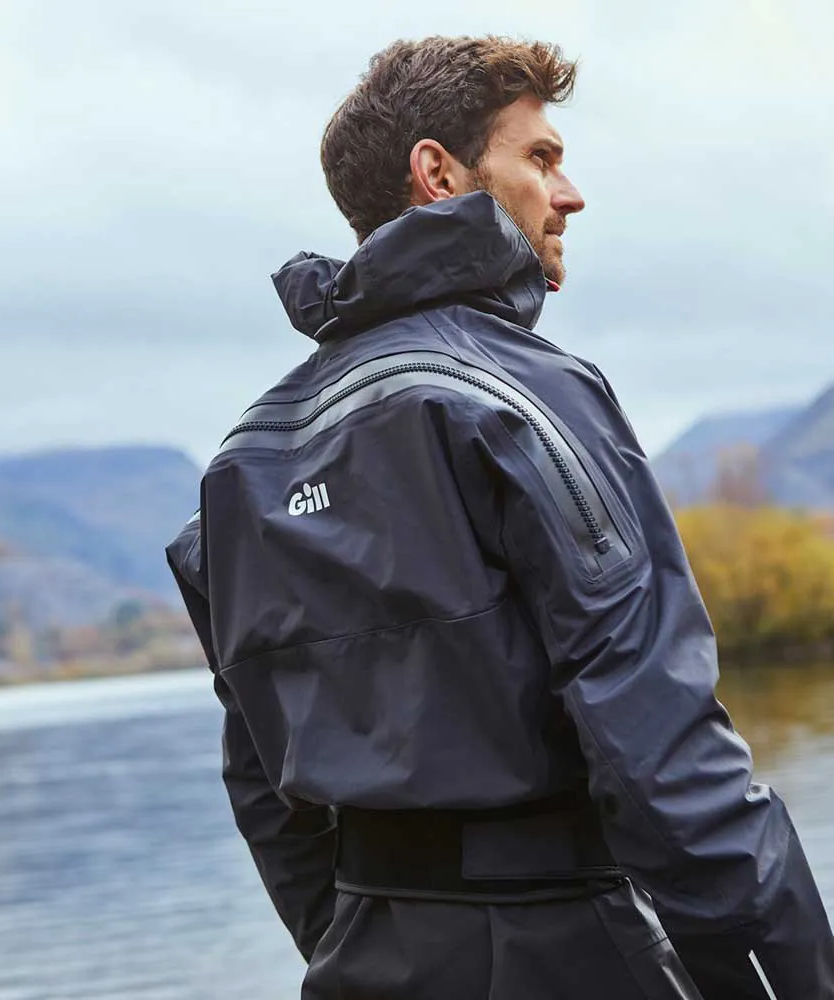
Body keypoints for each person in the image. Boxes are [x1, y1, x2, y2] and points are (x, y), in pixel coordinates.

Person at [167, 34, 834, 999]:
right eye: (542, 158)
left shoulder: (243, 463)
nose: (570, 194)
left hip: (366, 957)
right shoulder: (522, 399)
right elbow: (662, 746)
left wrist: (354, 943)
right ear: (438, 173)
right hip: (567, 946)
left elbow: (266, 790)